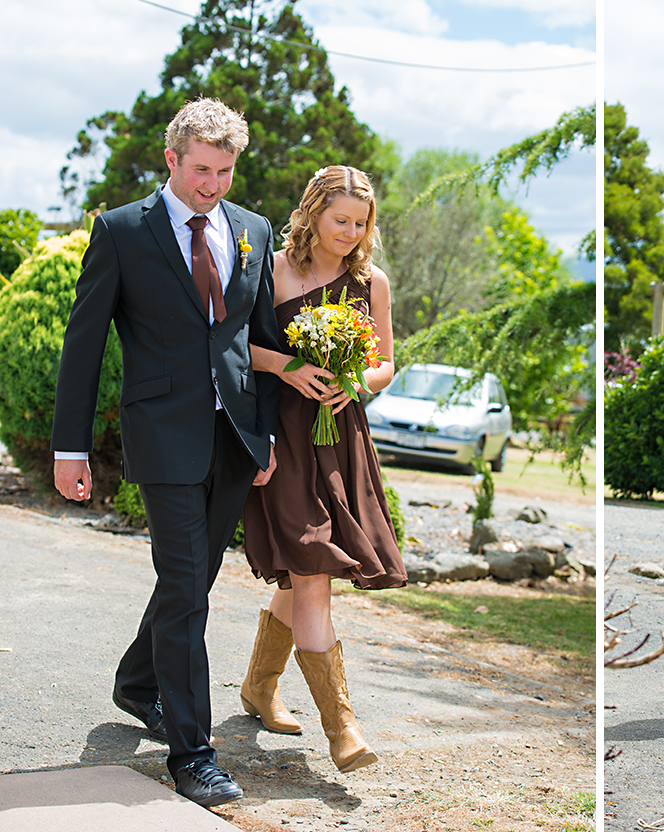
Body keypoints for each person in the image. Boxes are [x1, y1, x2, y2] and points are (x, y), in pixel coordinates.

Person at [51, 97, 281, 807]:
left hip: (235, 436)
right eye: (202, 170)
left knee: (192, 583)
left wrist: (265, 431)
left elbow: (259, 336)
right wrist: (70, 446)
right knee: (186, 589)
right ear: (171, 158)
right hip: (161, 433)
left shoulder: (252, 230)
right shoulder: (122, 232)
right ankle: (194, 754)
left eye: (226, 171)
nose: (214, 185)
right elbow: (84, 345)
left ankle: (136, 681)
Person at [239, 165, 407, 773]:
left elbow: (386, 363)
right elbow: (236, 347)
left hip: (342, 439)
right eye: (341, 220)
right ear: (312, 213)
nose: (351, 232)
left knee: (305, 570)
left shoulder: (372, 282)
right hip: (282, 438)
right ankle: (343, 729)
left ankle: (259, 686)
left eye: (361, 223)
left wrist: (356, 381)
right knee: (312, 566)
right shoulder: (272, 268)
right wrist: (287, 368)